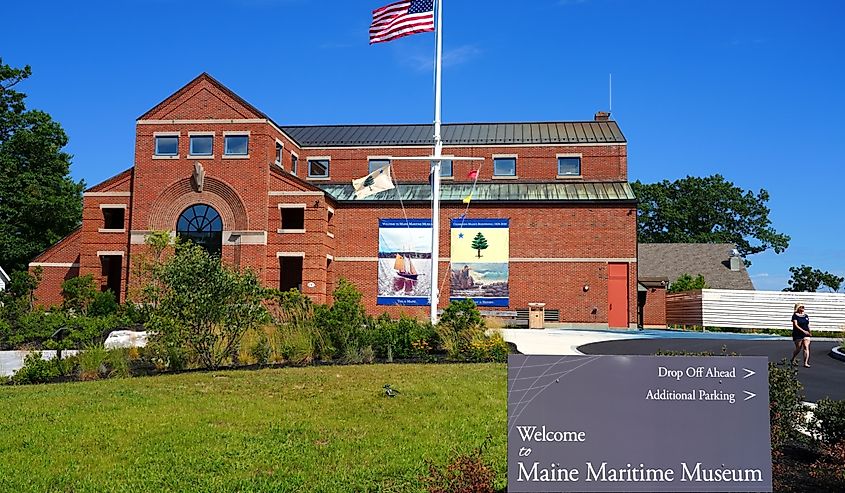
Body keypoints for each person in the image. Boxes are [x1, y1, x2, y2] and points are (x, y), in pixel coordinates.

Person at [790, 303, 811, 368]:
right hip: (798, 333)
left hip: (806, 334)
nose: (803, 308)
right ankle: (793, 358)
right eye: (801, 307)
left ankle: (806, 363)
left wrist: (809, 331)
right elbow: (796, 325)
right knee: (798, 348)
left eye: (803, 307)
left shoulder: (806, 316)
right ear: (798, 308)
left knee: (806, 347)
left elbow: (807, 324)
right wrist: (803, 331)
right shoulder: (795, 316)